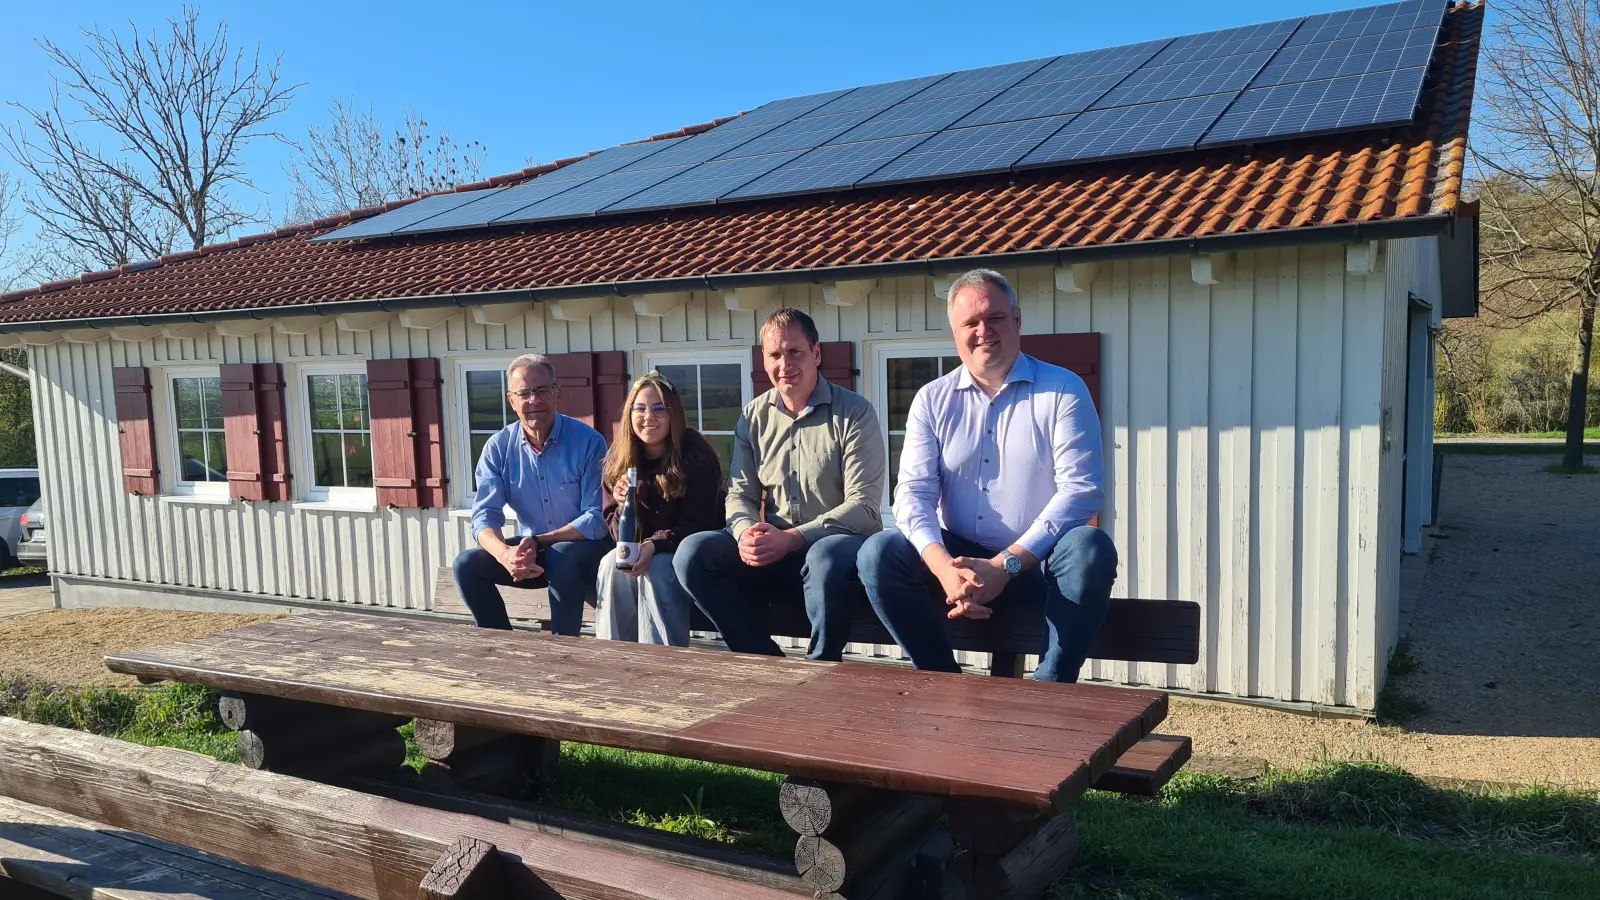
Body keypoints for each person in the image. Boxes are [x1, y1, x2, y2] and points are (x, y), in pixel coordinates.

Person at [857, 269, 1117, 682]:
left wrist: (1005, 564)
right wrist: (943, 568)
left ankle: (1049, 692)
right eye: (970, 323)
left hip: (1037, 565)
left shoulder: (1063, 390)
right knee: (878, 553)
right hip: (957, 564)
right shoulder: (932, 399)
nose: (983, 331)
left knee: (1089, 547)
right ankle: (941, 682)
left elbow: (1081, 491)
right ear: (954, 332)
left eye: (995, 318)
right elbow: (912, 495)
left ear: (1017, 321)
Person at [675, 308, 886, 661]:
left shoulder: (855, 413)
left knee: (824, 555)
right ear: (764, 359)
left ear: (816, 354)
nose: (784, 364)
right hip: (775, 551)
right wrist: (745, 534)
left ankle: (821, 667)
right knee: (692, 554)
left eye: (795, 352)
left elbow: (864, 507)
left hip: (838, 552)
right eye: (775, 354)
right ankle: (763, 660)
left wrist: (792, 538)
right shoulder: (752, 416)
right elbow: (740, 494)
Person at [452, 353, 612, 635]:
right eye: (524, 393)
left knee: (561, 554)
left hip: (587, 551)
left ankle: (563, 652)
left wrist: (540, 541)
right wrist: (506, 555)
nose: (534, 400)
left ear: (557, 393)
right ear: (511, 401)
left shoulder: (589, 442)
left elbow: (596, 518)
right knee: (466, 565)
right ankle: (503, 651)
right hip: (535, 556)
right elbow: (484, 517)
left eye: (542, 390)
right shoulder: (498, 447)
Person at [595, 371, 724, 646]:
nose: (648, 417)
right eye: (639, 408)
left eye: (658, 409)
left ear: (674, 413)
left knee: (657, 569)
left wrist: (653, 545)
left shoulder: (695, 453)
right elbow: (618, 535)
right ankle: (613, 657)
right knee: (610, 564)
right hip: (642, 550)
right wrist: (621, 506)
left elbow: (699, 523)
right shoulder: (619, 458)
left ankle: (661, 665)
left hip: (686, 554)